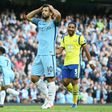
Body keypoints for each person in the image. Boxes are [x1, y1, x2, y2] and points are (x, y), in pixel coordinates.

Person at [26, 4, 61, 109]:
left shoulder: (54, 23)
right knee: (34, 77)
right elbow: (28, 17)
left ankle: (50, 102)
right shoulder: (39, 22)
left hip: (49, 53)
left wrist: (52, 8)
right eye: (43, 11)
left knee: (50, 78)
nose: (43, 12)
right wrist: (39, 9)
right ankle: (47, 98)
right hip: (39, 53)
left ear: (50, 13)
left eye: (46, 11)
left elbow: (58, 15)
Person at [56, 21, 96, 108]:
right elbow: (59, 51)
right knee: (65, 82)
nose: (70, 28)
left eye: (72, 27)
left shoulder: (79, 37)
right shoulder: (64, 38)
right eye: (69, 27)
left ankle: (74, 103)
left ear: (75, 28)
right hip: (66, 63)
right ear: (67, 28)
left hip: (76, 63)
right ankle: (77, 95)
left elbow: (86, 50)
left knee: (74, 82)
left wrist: (90, 62)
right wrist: (51, 51)